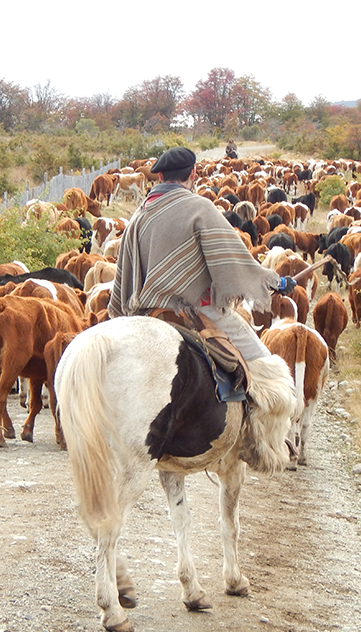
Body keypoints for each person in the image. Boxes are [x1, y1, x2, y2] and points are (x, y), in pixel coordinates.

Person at [108, 146, 300, 475]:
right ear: (193, 174)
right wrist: (273, 283)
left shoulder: (140, 213)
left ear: (160, 176)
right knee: (268, 369)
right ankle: (260, 446)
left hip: (144, 312)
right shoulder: (200, 208)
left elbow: (124, 275)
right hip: (197, 311)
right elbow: (233, 260)